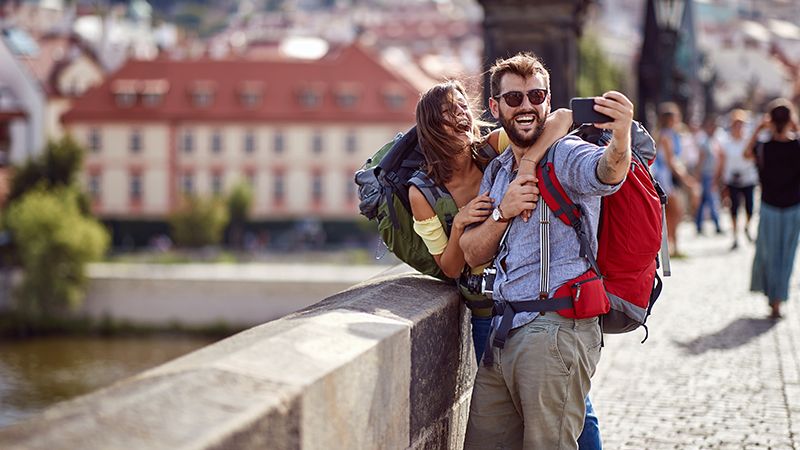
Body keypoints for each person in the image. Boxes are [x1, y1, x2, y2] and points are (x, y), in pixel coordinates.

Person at [409, 80, 604, 449]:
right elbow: (450, 267)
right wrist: (463, 223)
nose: (462, 116)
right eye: (450, 113)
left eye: (463, 107)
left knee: (575, 411)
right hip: (488, 311)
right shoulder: (423, 191)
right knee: (509, 420)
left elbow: (561, 117)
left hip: (530, 298)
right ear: (433, 126)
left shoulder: (491, 148)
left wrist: (528, 162)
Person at [459, 52, 634, 449]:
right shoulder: (498, 170)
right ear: (495, 107)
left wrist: (620, 138)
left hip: (554, 329)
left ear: (548, 100)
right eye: (514, 98)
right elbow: (471, 254)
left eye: (536, 96)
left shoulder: (566, 154)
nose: (526, 107)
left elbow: (606, 173)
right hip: (502, 334)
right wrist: (503, 212)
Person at [744, 99, 800, 320]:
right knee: (786, 255)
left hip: (768, 206)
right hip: (793, 207)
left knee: (768, 254)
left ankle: (772, 298)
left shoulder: (764, 146)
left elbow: (746, 154)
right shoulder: (797, 145)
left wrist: (758, 128)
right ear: (790, 120)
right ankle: (778, 299)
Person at [652, 102, 698, 257]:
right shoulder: (666, 136)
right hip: (665, 177)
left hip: (669, 175)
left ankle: (673, 245)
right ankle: (672, 245)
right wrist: (686, 179)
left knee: (672, 212)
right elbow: (671, 161)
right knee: (674, 211)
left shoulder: (671, 134)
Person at [718, 109, 759, 250]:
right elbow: (722, 161)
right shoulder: (726, 142)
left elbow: (755, 157)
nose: (739, 127)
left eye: (741, 124)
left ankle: (747, 227)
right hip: (731, 179)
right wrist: (720, 179)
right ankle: (735, 236)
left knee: (750, 207)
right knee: (733, 208)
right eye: (736, 124)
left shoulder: (749, 140)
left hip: (748, 177)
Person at [694, 116, 723, 235]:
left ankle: (699, 224)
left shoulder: (714, 141)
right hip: (706, 175)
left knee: (704, 201)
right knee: (711, 200)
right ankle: (716, 224)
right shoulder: (704, 142)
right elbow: (700, 160)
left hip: (712, 174)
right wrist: (698, 176)